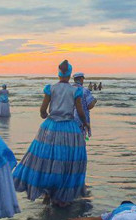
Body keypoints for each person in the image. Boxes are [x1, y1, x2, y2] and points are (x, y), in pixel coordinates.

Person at [13, 60, 89, 207]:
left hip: (51, 126)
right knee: (66, 160)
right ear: (70, 74)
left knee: (46, 159)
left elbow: (43, 109)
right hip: (69, 128)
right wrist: (85, 123)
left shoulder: (51, 88)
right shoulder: (75, 91)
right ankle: (60, 196)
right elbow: (79, 111)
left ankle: (47, 192)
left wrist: (44, 115)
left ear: (59, 73)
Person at [72, 72, 96, 138]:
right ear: (81, 79)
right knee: (80, 140)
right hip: (81, 119)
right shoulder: (85, 90)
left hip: (69, 119)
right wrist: (94, 101)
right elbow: (90, 105)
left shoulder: (68, 89)